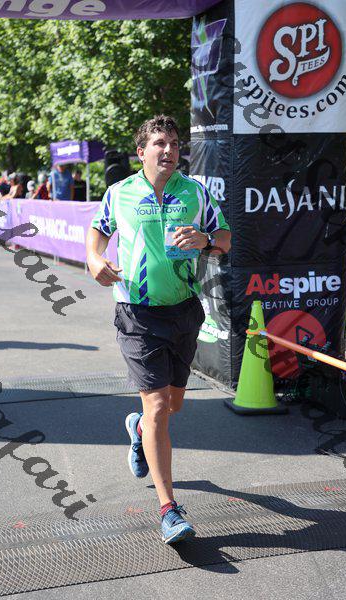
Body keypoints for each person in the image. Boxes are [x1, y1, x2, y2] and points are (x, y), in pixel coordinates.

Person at [86, 115, 231, 545]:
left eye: (174, 144)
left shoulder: (195, 191)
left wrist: (206, 241)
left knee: (172, 407)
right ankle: (169, 509)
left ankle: (137, 431)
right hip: (137, 313)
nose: (169, 150)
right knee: (157, 407)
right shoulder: (120, 193)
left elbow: (225, 237)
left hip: (184, 310)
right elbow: (97, 234)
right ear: (142, 152)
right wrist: (94, 260)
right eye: (159, 144)